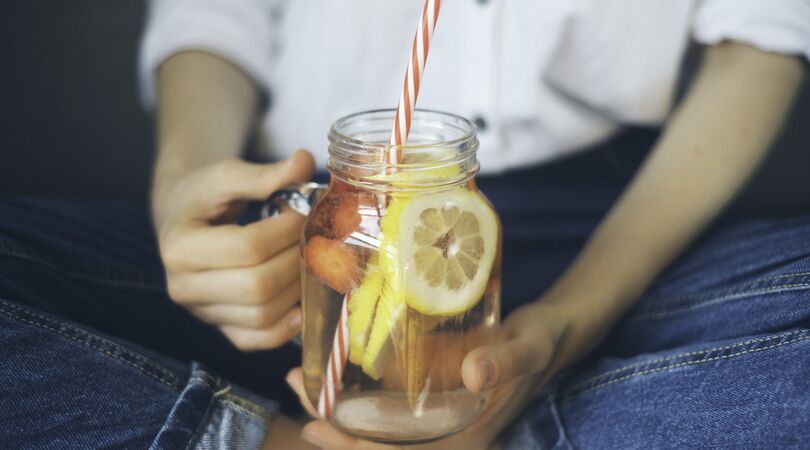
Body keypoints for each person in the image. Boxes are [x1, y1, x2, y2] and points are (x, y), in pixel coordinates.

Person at [0, 1, 807, 449]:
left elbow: (765, 33)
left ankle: (487, 421)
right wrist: (185, 194)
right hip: (305, 226)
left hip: (613, 231)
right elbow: (211, 17)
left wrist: (564, 326)